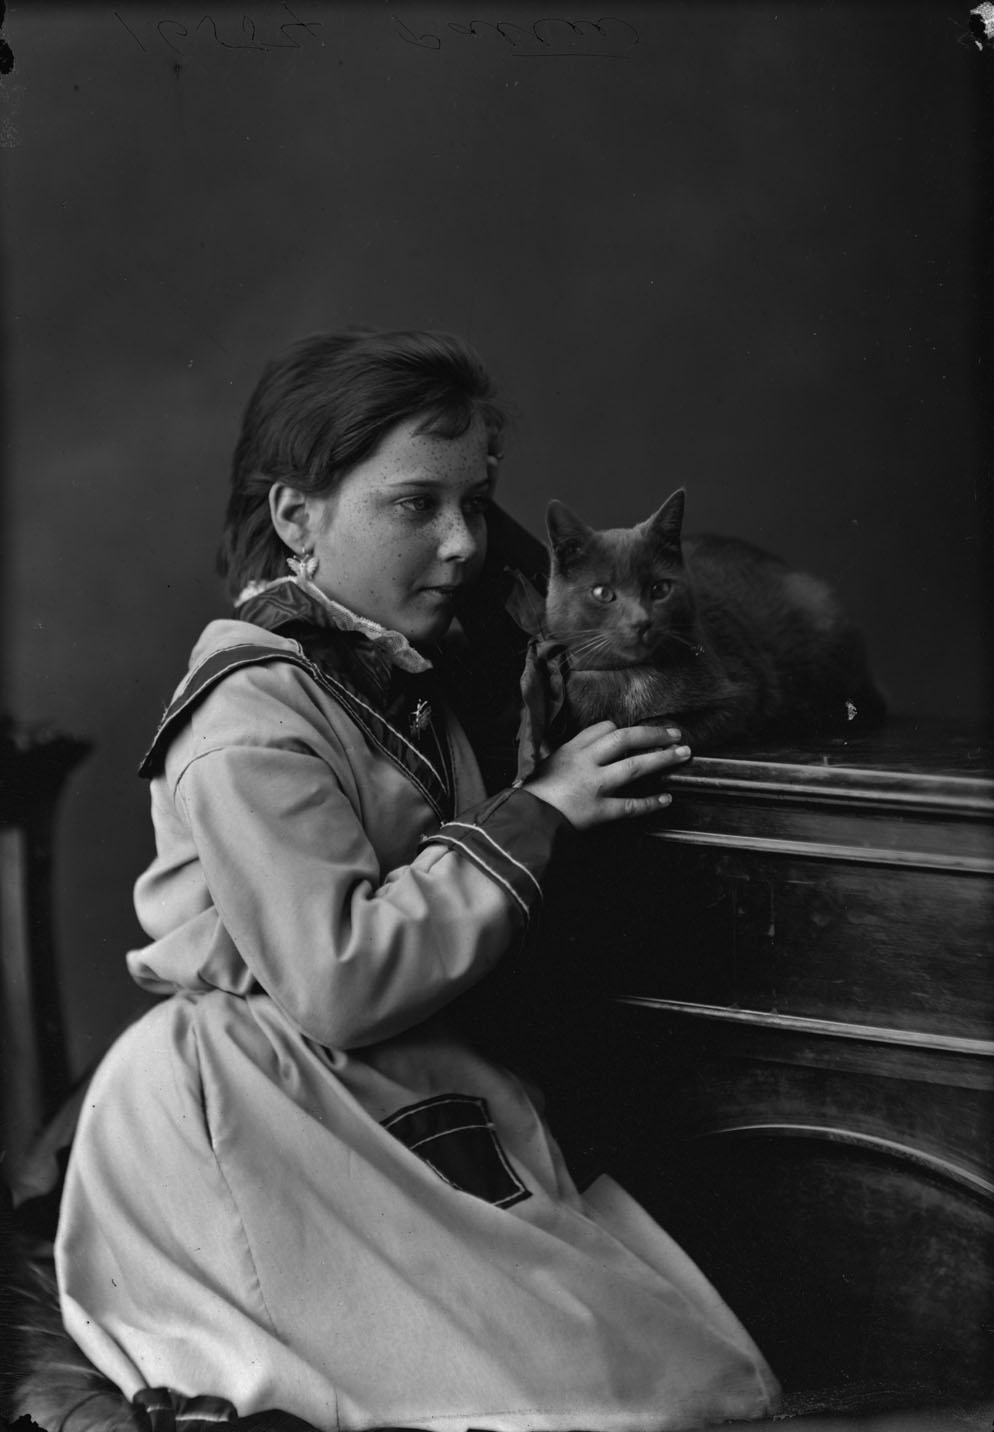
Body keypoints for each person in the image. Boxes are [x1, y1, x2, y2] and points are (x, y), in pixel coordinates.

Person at [53, 329, 780, 1431]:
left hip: (377, 1084)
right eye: (414, 505)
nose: (462, 542)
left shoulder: (394, 667)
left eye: (475, 502)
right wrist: (536, 813)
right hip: (257, 1106)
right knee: (611, 1399)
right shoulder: (249, 708)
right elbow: (339, 982)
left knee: (684, 1376)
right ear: (296, 517)